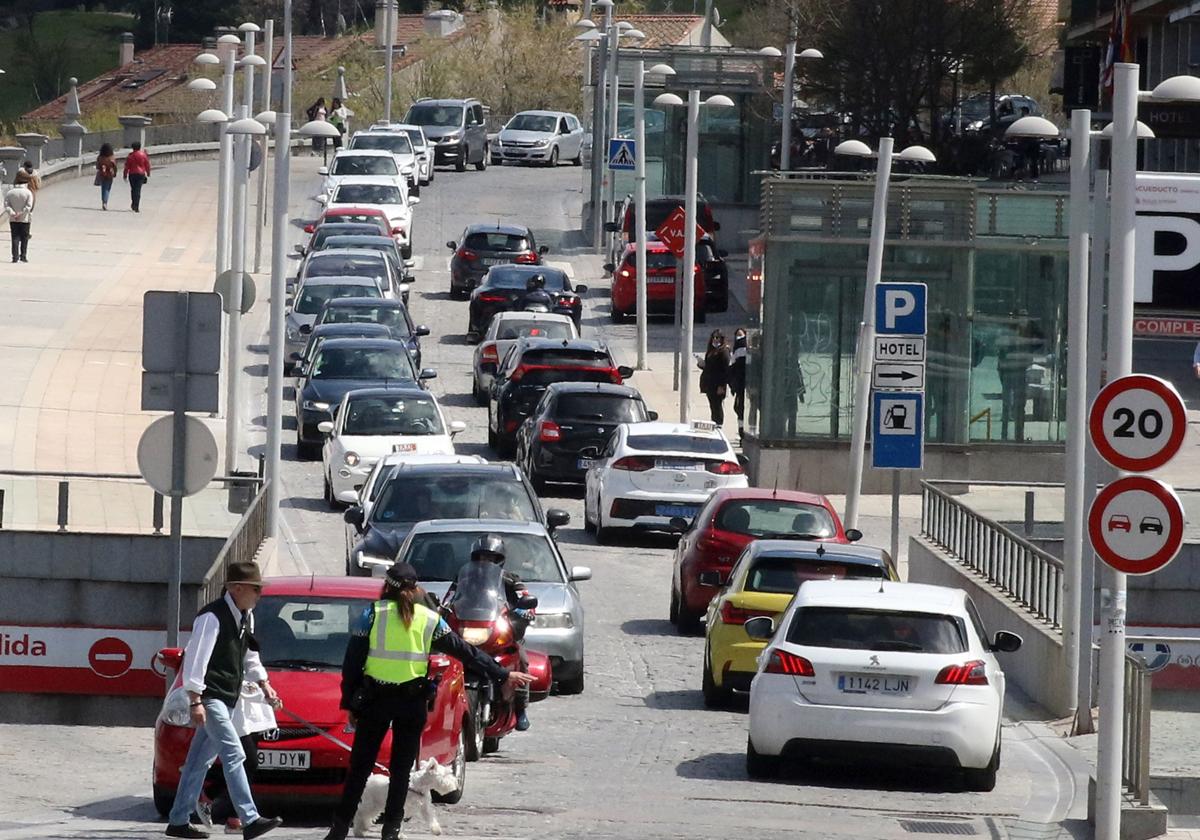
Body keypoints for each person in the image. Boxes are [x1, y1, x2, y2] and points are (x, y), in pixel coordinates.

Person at [323, 561, 533, 840]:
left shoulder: (372, 614)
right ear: (416, 588)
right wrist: (501, 674)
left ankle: (338, 829)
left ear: (387, 586)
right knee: (401, 770)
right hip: (411, 703)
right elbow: (465, 651)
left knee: (360, 768)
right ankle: (391, 830)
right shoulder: (430, 619)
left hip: (376, 700)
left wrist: (349, 703)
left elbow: (352, 664)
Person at [165, 561, 283, 840]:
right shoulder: (212, 617)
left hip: (226, 697)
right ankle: (250, 818)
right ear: (237, 588)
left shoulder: (245, 616)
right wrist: (195, 700)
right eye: (256, 589)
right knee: (234, 753)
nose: (259, 594)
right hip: (211, 697)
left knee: (198, 762)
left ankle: (178, 820)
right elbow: (196, 659)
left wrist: (265, 685)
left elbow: (249, 656)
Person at [444, 535, 536, 729]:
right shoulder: (464, 577)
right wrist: (444, 609)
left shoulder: (511, 579)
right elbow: (450, 598)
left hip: (500, 626)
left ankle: (521, 708)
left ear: (499, 560)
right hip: (471, 625)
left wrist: (524, 612)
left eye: (490, 558)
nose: (486, 561)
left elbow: (525, 599)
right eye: (482, 557)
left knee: (522, 659)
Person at [697, 329, 731, 426]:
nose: (715, 340)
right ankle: (714, 423)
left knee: (717, 406)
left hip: (717, 384)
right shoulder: (711, 350)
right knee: (712, 405)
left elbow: (725, 370)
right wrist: (701, 364)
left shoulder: (724, 351)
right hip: (709, 383)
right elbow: (709, 366)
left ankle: (718, 425)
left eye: (718, 337)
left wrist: (721, 386)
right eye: (714, 337)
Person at [4, 178, 34, 263]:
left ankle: (15, 257)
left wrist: (13, 213)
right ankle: (23, 256)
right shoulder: (28, 192)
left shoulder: (10, 193)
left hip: (13, 219)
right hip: (24, 219)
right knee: (24, 238)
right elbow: (29, 206)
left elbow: (7, 205)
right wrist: (21, 213)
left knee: (15, 237)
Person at [728, 328, 748, 440]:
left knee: (743, 408)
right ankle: (742, 431)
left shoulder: (741, 346)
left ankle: (744, 432)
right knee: (739, 408)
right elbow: (733, 366)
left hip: (746, 383)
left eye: (740, 335)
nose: (738, 337)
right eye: (737, 335)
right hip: (740, 383)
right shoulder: (737, 348)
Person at [124, 142, 151, 213]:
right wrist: (148, 173)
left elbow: (127, 166)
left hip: (132, 174)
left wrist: (125, 175)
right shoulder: (143, 155)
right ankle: (137, 206)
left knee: (133, 189)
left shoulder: (130, 156)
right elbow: (147, 164)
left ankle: (133, 203)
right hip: (141, 174)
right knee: (138, 190)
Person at [95, 143, 117, 210]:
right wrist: (115, 173)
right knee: (107, 188)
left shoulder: (100, 157)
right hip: (109, 174)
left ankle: (103, 202)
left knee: (103, 188)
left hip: (102, 174)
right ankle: (105, 202)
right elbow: (115, 166)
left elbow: (97, 166)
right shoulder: (111, 157)